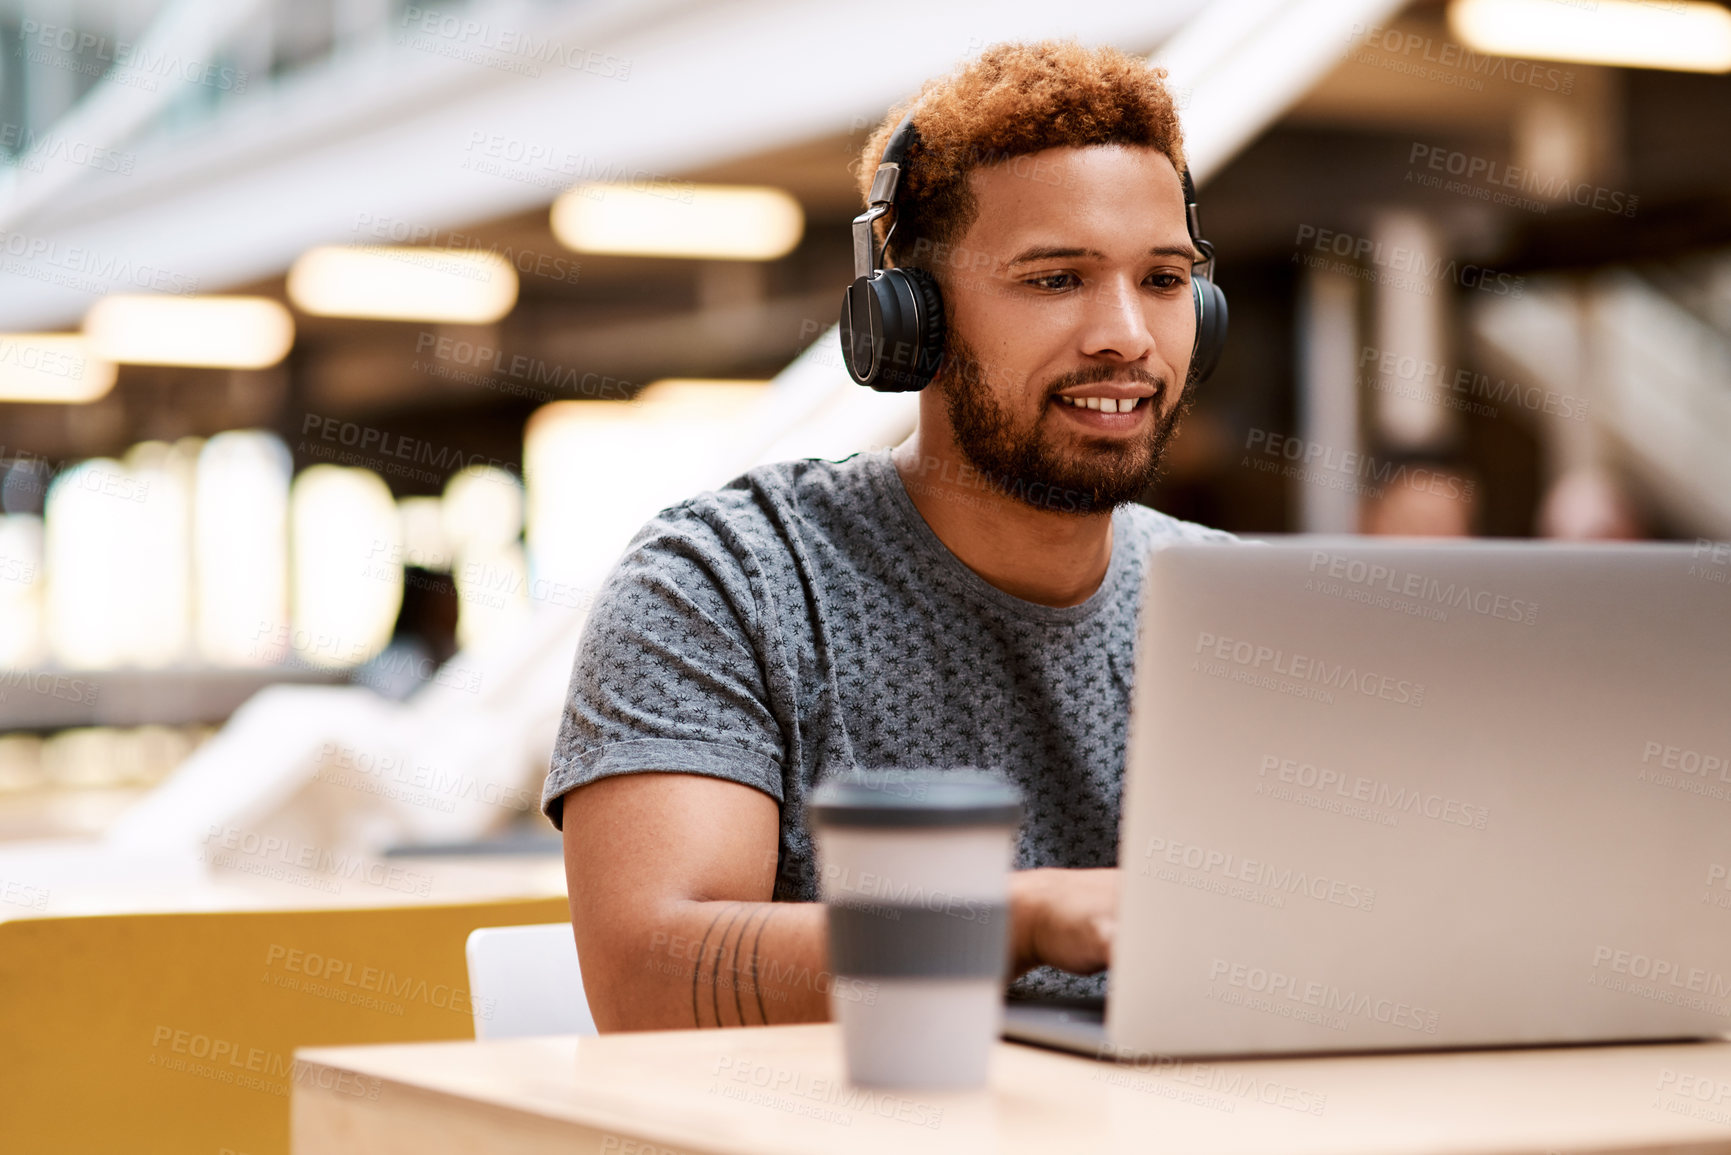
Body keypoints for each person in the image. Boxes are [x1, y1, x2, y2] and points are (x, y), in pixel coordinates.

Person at [544, 40, 1235, 1032]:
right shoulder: (725, 584)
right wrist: (1020, 921)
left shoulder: (1235, 608)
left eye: (1164, 279)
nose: (1125, 333)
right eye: (1056, 280)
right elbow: (649, 977)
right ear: (908, 318)